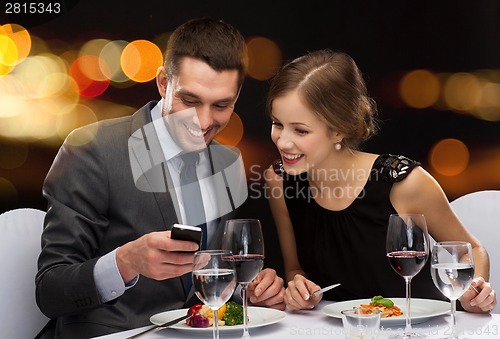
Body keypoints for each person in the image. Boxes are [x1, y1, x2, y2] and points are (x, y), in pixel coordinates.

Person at [36, 18, 285, 339]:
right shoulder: (93, 148)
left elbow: (210, 277)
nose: (204, 121)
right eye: (190, 100)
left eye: (222, 105)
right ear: (164, 83)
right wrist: (125, 262)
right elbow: (50, 291)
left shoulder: (228, 164)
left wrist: (249, 292)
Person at [264, 49, 496, 312]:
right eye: (277, 123)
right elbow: (297, 269)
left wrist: (474, 293)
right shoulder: (280, 180)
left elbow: (472, 250)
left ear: (338, 129)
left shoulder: (403, 183)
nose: (282, 141)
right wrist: (299, 288)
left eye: (300, 130)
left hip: (422, 328)